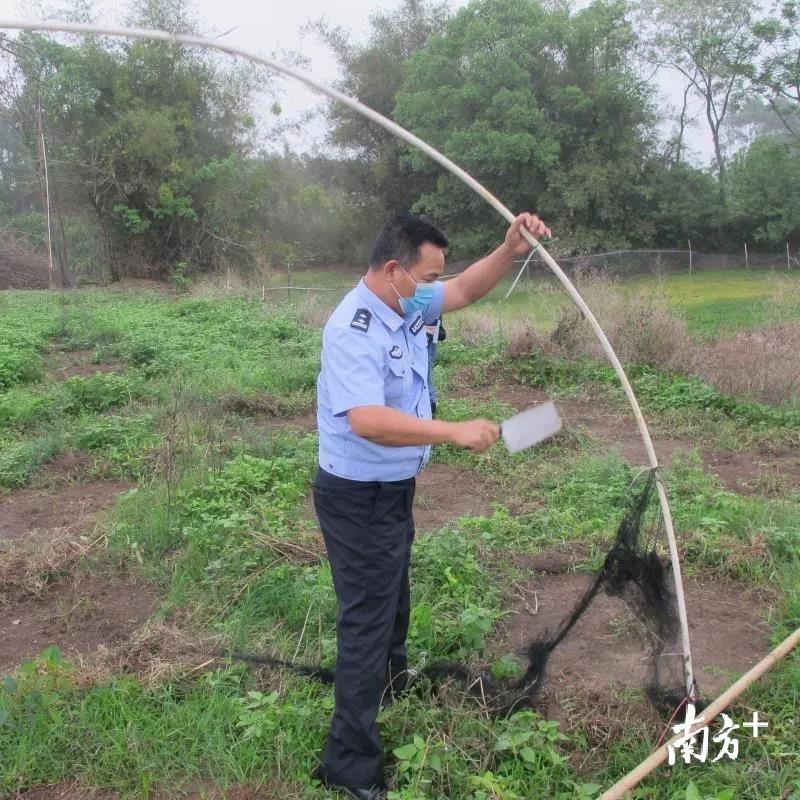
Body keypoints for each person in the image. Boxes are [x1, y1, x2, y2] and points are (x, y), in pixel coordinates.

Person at [313, 210, 551, 800]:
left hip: (393, 489)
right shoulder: (354, 328)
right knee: (366, 621)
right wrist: (451, 432)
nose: (433, 285)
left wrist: (510, 248)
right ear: (394, 270)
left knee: (392, 600)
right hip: (357, 496)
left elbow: (466, 288)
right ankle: (348, 766)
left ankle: (389, 682)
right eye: (427, 274)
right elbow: (366, 420)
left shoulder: (407, 303)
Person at [423, 315, 445, 416]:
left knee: (426, 375)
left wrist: (431, 330)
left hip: (428, 346)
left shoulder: (433, 308)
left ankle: (431, 406)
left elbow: (442, 334)